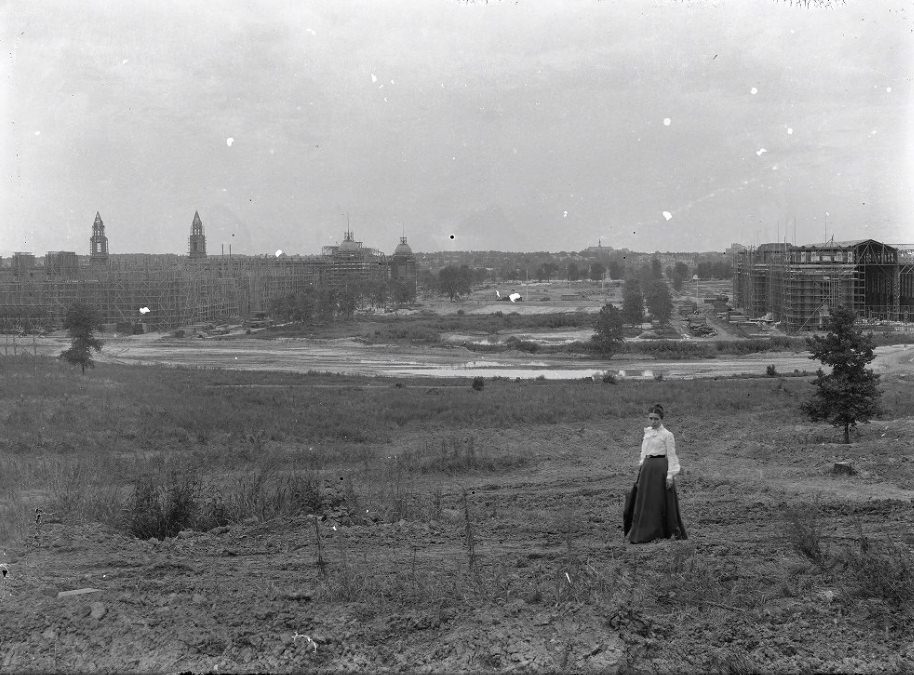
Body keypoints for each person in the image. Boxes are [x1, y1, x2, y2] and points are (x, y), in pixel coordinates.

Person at [623, 403, 687, 543]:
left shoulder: (667, 435)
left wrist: (670, 475)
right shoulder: (647, 433)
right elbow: (643, 453)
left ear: (661, 419)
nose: (653, 421)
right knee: (645, 501)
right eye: (651, 418)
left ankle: (663, 532)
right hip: (647, 469)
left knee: (659, 502)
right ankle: (643, 532)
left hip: (660, 470)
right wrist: (641, 469)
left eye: (656, 419)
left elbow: (671, 455)